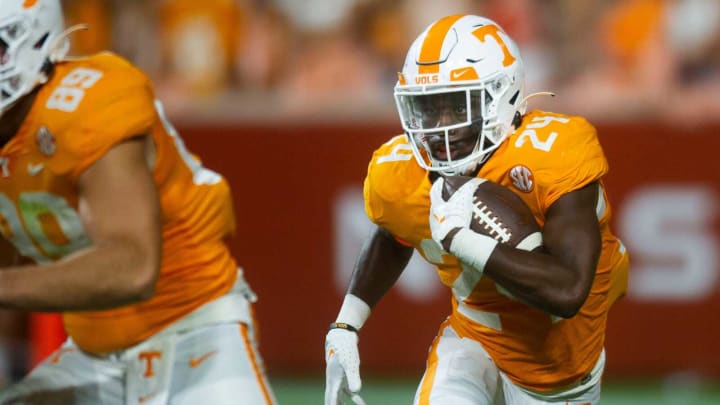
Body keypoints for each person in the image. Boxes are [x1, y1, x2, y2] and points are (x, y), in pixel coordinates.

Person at [324, 14, 629, 405]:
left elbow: (567, 290)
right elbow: (394, 229)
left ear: (502, 95)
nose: (439, 128)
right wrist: (347, 323)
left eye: (455, 106)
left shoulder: (554, 153)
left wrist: (464, 242)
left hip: (558, 376)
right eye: (428, 109)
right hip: (474, 340)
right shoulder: (399, 171)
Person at [0, 1, 276, 404]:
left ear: (34, 40)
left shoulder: (86, 104)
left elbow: (133, 267)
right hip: (93, 352)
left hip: (193, 330)